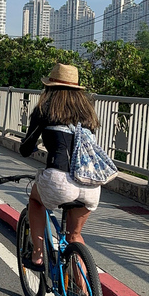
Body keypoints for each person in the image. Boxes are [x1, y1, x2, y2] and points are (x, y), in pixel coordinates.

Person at [19, 63, 101, 270]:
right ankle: (84, 293)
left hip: (60, 181)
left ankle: (38, 253)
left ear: (49, 87)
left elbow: (25, 148)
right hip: (91, 184)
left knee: (35, 201)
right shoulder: (87, 113)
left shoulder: (44, 109)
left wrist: (36, 145)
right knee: (75, 235)